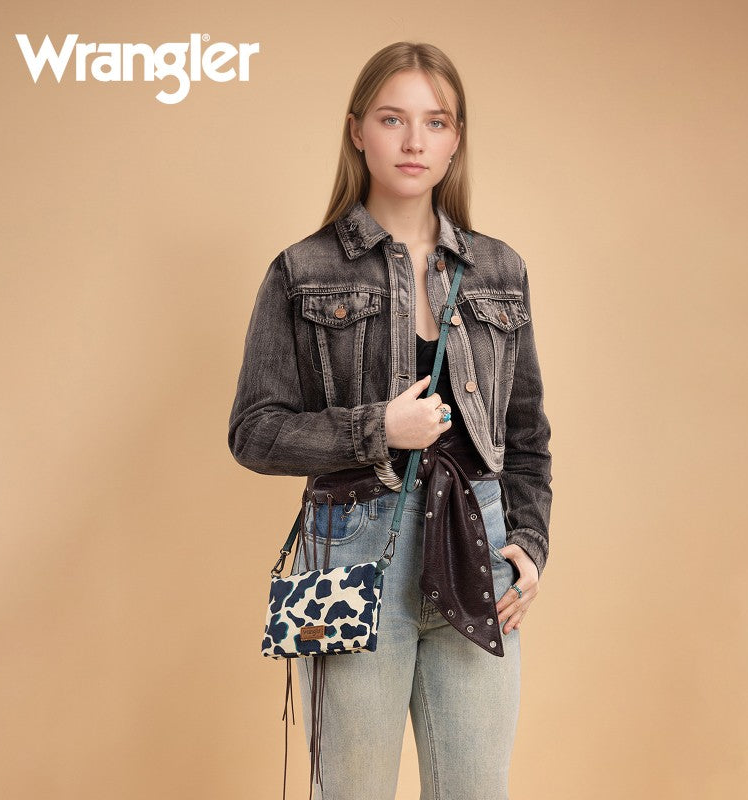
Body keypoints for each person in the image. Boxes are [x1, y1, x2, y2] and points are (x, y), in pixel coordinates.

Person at [228, 41, 552, 800]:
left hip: (477, 546)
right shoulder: (303, 271)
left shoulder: (499, 270)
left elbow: (526, 435)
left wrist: (530, 543)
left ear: (456, 139)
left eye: (435, 122)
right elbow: (255, 430)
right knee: (352, 789)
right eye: (392, 119)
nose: (414, 141)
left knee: (476, 789)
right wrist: (377, 429)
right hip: (350, 551)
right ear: (357, 131)